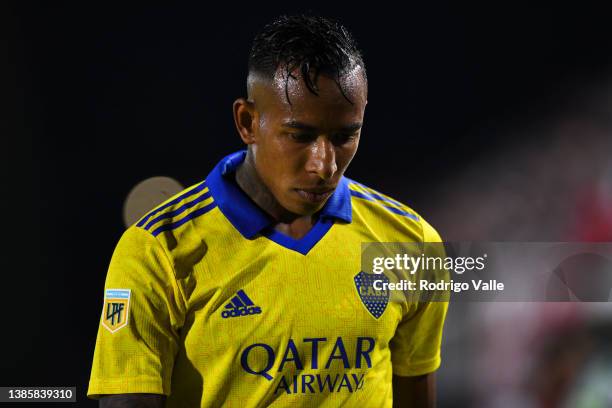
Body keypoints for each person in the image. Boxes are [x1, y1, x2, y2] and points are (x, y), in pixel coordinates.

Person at [88, 14, 448, 408]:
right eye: (300, 135)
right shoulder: (157, 250)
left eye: (345, 136)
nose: (323, 164)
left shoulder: (413, 244)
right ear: (247, 122)